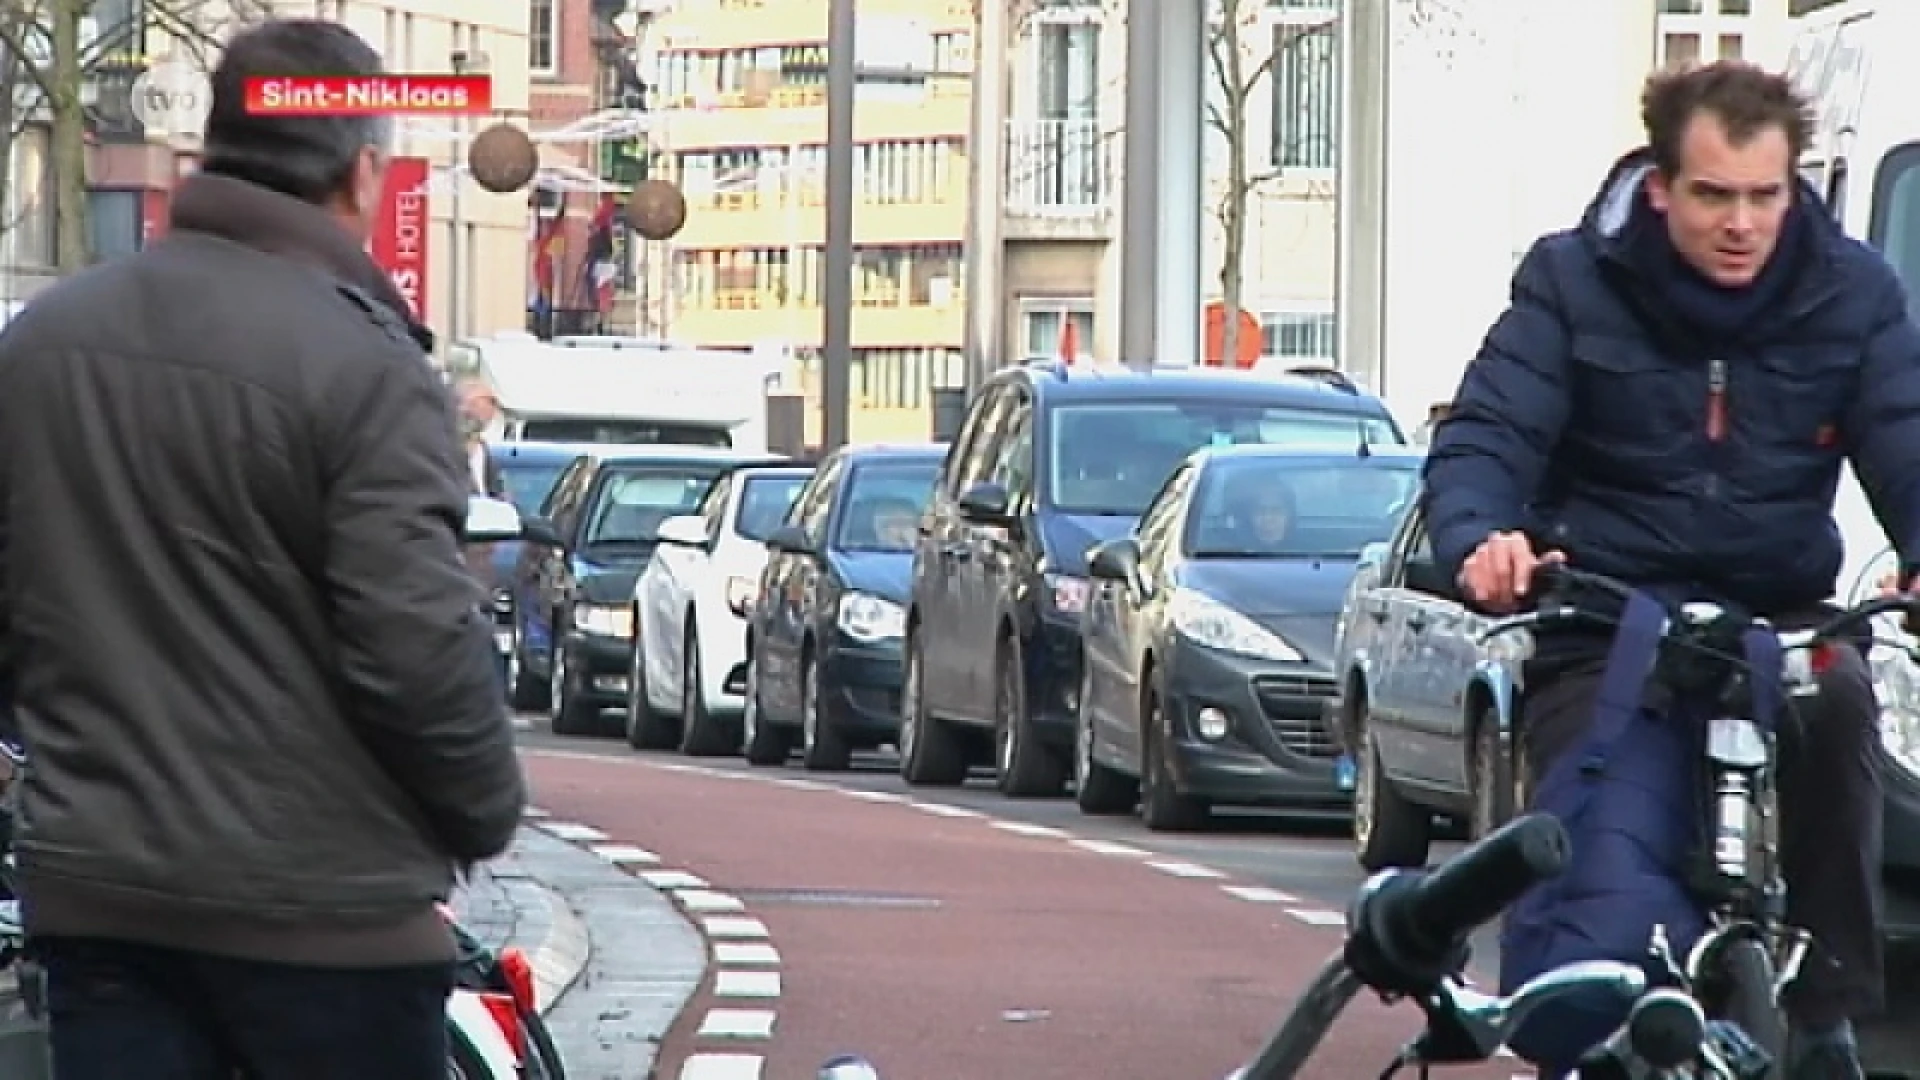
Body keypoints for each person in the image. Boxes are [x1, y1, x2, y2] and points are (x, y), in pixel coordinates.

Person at [0, 20, 525, 1079]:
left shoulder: (42, 347)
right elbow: (415, 648)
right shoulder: (366, 368)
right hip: (330, 921)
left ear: (215, 148)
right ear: (363, 170)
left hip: (103, 906)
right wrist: (480, 806)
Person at [1423, 62, 1920, 1080]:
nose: (1741, 223)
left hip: (1777, 611)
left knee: (1841, 709)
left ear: (1796, 191)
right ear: (1659, 186)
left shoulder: (1855, 294)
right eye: (1712, 195)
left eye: (1764, 196)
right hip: (1610, 615)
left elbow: (1907, 436)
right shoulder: (1570, 282)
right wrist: (1484, 538)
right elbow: (1490, 431)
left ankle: (1828, 1011)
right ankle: (1595, 1011)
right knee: (1597, 826)